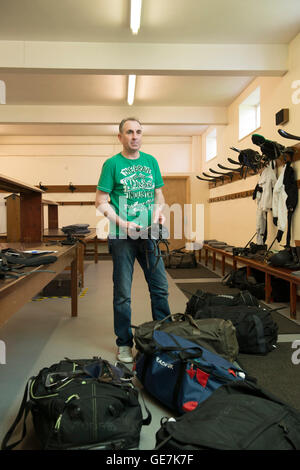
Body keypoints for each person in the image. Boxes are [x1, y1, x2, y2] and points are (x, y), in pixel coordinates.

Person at [95, 117, 171, 363]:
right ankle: (124, 343)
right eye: (129, 132)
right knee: (123, 294)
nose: (135, 136)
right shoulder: (111, 164)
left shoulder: (151, 162)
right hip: (122, 237)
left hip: (149, 234)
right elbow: (101, 201)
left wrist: (159, 211)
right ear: (120, 137)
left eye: (138, 132)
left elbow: (159, 194)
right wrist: (123, 223)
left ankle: (164, 339)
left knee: (160, 288)